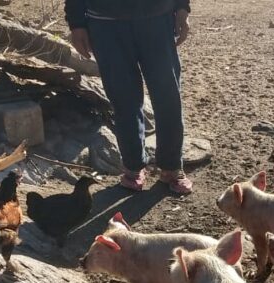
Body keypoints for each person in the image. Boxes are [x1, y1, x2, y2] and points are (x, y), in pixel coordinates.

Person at [65, 0, 193, 195]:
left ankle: (171, 166)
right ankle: (133, 167)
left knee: (168, 96)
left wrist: (182, 7)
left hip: (157, 19)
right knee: (123, 99)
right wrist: (76, 24)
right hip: (105, 23)